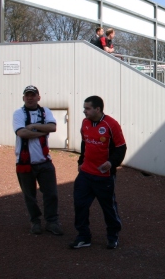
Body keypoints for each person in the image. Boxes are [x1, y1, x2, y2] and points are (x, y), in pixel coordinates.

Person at [70, 96, 127, 250]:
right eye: (84, 108)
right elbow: (85, 142)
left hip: (104, 176)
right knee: (80, 204)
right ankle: (83, 236)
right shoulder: (85, 122)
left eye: (87, 108)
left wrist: (111, 163)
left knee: (108, 207)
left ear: (98, 109)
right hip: (86, 173)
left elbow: (121, 147)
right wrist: (80, 161)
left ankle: (113, 235)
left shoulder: (111, 124)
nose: (84, 111)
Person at [13, 85, 63, 235]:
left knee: (51, 193)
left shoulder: (45, 111)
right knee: (30, 195)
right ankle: (35, 221)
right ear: (23, 98)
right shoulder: (18, 113)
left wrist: (33, 126)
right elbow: (21, 132)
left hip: (44, 161)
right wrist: (42, 131)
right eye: (27, 95)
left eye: (33, 95)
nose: (30, 98)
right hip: (24, 162)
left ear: (38, 97)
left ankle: (52, 222)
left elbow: (53, 128)